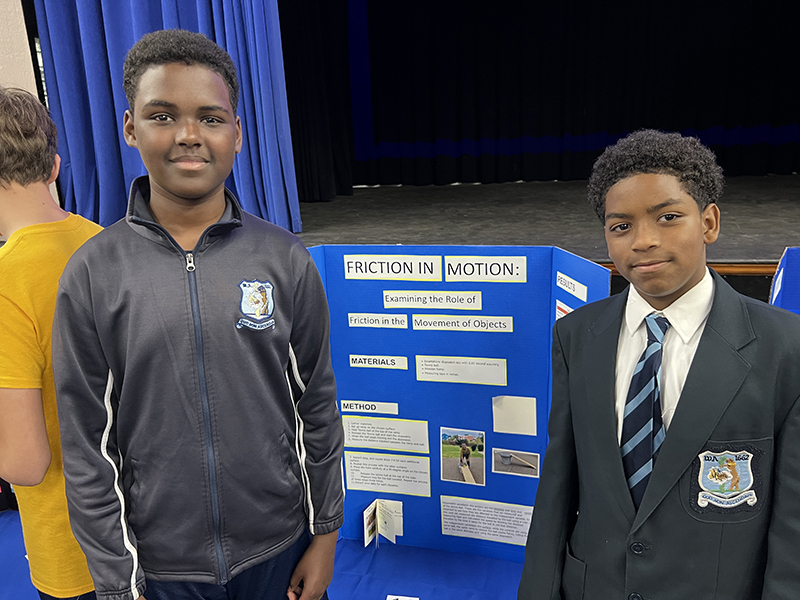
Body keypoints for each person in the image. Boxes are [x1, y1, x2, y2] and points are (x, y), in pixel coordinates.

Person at [52, 30, 343, 600]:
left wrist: (326, 534)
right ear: (130, 127)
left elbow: (317, 406)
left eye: (211, 118)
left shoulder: (284, 259)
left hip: (279, 550)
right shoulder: (93, 274)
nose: (189, 135)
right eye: (163, 116)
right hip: (161, 567)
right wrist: (118, 583)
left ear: (238, 133)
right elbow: (88, 445)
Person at [518, 130, 800, 600]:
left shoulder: (786, 347)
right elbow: (558, 488)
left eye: (668, 218)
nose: (644, 241)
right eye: (620, 226)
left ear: (708, 222)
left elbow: (793, 524)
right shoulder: (577, 335)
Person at [0, 85, 100, 600]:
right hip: (157, 530)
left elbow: (25, 463)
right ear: (55, 166)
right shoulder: (110, 244)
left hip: (74, 548)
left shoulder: (6, 283)